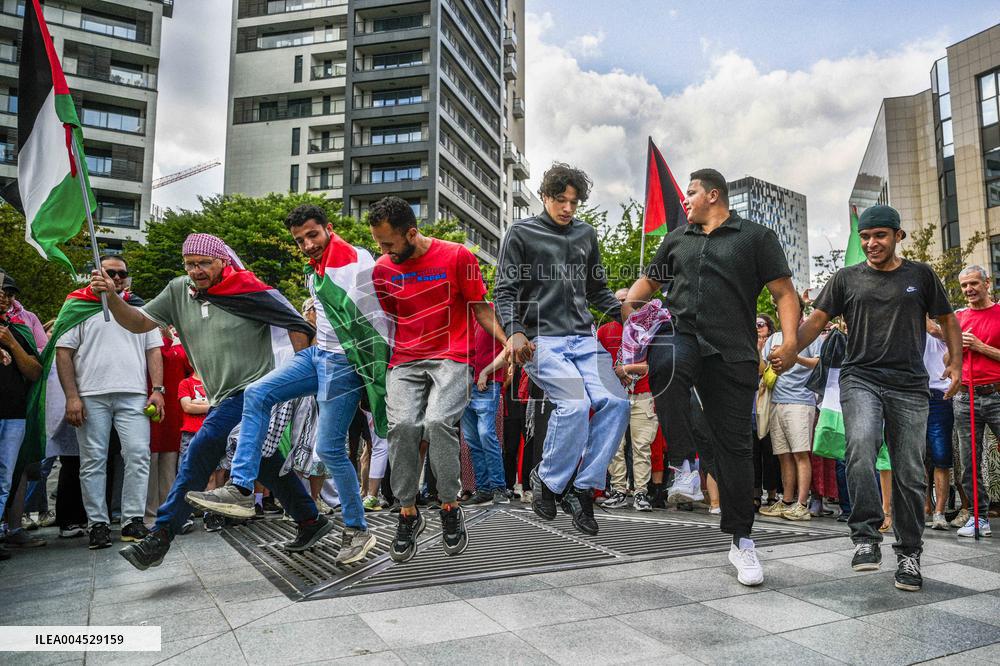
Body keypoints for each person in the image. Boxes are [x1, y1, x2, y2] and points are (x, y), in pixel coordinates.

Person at [90, 233, 324, 571]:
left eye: (204, 263)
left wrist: (302, 372)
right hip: (219, 394)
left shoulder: (248, 289)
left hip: (255, 390)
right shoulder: (176, 291)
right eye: (190, 264)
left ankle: (161, 536)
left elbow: (297, 322)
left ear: (222, 262)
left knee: (201, 449)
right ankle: (310, 520)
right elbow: (139, 323)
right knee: (266, 460)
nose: (196, 270)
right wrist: (111, 298)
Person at [625, 168, 800, 586]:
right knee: (665, 365)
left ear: (714, 195)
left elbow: (784, 293)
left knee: (735, 448)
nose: (685, 201)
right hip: (681, 333)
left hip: (734, 351)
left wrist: (791, 342)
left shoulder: (755, 237)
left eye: (692, 193)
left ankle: (742, 542)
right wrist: (630, 310)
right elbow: (647, 284)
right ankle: (684, 463)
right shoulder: (677, 238)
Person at [184, 205, 388, 566]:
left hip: (343, 363)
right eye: (299, 240)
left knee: (330, 450)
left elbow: (377, 322)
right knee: (257, 393)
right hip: (317, 355)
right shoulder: (317, 269)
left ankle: (357, 528)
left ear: (328, 228)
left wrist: (374, 378)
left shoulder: (354, 263)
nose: (307, 245)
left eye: (312, 235)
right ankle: (243, 488)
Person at [788, 204, 962, 591]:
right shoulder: (846, 278)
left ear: (898, 236)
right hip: (860, 377)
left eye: (879, 235)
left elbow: (949, 320)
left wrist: (956, 364)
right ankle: (866, 536)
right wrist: (787, 349)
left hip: (909, 384)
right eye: (865, 237)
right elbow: (815, 321)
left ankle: (909, 554)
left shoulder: (921, 276)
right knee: (861, 446)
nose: (871, 243)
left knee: (910, 471)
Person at [370, 196, 507, 562]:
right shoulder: (382, 269)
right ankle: (407, 512)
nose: (382, 251)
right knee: (401, 427)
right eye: (379, 243)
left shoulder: (458, 257)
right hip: (406, 359)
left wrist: (508, 343)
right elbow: (390, 319)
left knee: (437, 422)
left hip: (452, 356)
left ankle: (449, 506)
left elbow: (480, 309)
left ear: (411, 233)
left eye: (388, 243)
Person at [495, 163, 629, 536]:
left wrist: (627, 310)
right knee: (575, 404)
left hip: (584, 339)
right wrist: (515, 332)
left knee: (617, 403)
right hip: (542, 340)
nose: (568, 207)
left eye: (574, 201)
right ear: (544, 196)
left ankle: (582, 487)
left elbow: (598, 290)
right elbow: (503, 291)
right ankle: (548, 479)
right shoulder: (520, 232)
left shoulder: (586, 234)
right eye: (560, 199)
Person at [54, 255, 164, 548]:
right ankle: (98, 523)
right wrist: (72, 396)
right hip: (91, 394)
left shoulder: (140, 310)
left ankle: (132, 520)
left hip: (134, 393)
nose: (116, 278)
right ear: (95, 274)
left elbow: (154, 350)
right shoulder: (77, 305)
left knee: (139, 455)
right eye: (110, 272)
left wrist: (158, 389)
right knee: (93, 461)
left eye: (122, 273)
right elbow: (63, 352)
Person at [760, 298, 822, 521]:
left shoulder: (810, 334)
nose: (782, 312)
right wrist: (767, 353)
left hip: (801, 401)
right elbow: (763, 365)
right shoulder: (774, 337)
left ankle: (802, 503)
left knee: (800, 454)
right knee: (783, 456)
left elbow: (819, 363)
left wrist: (794, 356)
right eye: (779, 308)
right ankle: (786, 501)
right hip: (777, 400)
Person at [597, 289, 658, 512]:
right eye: (620, 302)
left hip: (642, 393)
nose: (624, 306)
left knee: (642, 446)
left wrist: (628, 368)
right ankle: (618, 490)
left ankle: (641, 492)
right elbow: (598, 364)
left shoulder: (650, 330)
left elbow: (656, 364)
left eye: (628, 302)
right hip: (614, 395)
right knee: (614, 445)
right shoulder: (604, 331)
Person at [952, 265, 1000, 537]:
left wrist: (980, 346)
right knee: (969, 461)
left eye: (973, 283)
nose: (969, 289)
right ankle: (979, 516)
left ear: (987, 283)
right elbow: (949, 360)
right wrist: (957, 347)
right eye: (964, 286)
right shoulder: (958, 317)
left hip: (996, 393)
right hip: (965, 397)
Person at [0, 271, 44, 558]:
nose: (4, 297)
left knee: (6, 476)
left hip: (14, 414)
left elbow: (35, 371)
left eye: (9, 293)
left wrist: (11, 343)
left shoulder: (17, 329)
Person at [462, 299, 509, 506]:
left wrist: (485, 371)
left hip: (486, 384)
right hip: (462, 387)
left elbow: (508, 349)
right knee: (472, 440)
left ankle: (499, 487)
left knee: (486, 435)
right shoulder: (458, 315)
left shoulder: (492, 310)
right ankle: (483, 489)